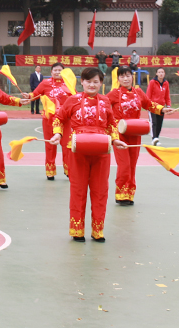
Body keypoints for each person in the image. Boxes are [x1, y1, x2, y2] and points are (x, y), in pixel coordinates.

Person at [49, 67, 127, 242]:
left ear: (101, 83)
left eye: (95, 82)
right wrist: (57, 134)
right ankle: (77, 230)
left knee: (100, 190)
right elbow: (59, 118)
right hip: (78, 149)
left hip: (101, 149)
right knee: (78, 189)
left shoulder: (105, 101)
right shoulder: (73, 100)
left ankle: (97, 230)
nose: (92, 85)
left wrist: (115, 139)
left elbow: (111, 123)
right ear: (82, 82)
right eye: (88, 81)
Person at [107, 67, 172, 205]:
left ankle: (129, 195)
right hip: (120, 135)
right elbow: (103, 107)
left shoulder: (138, 92)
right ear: (118, 79)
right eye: (122, 76)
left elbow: (149, 104)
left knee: (132, 165)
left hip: (135, 133)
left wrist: (162, 109)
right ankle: (121, 194)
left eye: (128, 76)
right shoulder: (114, 94)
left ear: (132, 77)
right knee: (124, 165)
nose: (125, 79)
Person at [28, 62, 75, 180]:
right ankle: (50, 171)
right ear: (51, 72)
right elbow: (35, 94)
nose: (58, 72)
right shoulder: (45, 83)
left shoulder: (68, 83)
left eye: (60, 70)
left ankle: (68, 170)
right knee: (50, 145)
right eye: (55, 70)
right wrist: (28, 96)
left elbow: (75, 98)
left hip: (65, 119)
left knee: (67, 145)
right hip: (49, 119)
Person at [146, 68, 171, 146]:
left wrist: (168, 106)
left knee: (159, 123)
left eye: (162, 72)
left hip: (161, 107)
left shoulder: (166, 83)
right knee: (154, 122)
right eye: (159, 72)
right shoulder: (152, 82)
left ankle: (157, 138)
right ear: (156, 73)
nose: (161, 73)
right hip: (152, 106)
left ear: (164, 73)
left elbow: (167, 95)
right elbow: (148, 94)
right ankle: (154, 138)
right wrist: (148, 105)